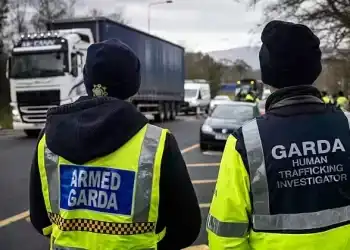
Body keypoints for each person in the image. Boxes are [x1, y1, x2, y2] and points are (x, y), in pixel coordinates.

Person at [29, 39, 201, 250]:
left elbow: (41, 221)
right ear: (133, 85)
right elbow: (187, 227)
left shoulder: (47, 138)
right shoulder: (156, 143)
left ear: (87, 79)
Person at [207, 20, 350, 250]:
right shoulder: (348, 126)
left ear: (267, 74)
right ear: (315, 69)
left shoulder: (246, 141)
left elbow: (226, 236)